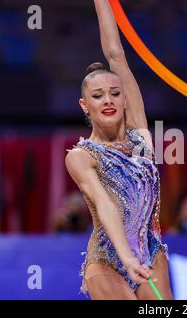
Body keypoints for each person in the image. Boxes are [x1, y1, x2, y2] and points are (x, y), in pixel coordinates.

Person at [65, 0, 172, 300]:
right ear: (85, 106)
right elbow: (105, 204)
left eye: (115, 93)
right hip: (108, 259)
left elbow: (116, 55)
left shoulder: (140, 135)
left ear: (125, 99)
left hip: (152, 250)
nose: (108, 100)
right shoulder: (81, 156)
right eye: (98, 96)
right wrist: (126, 257)